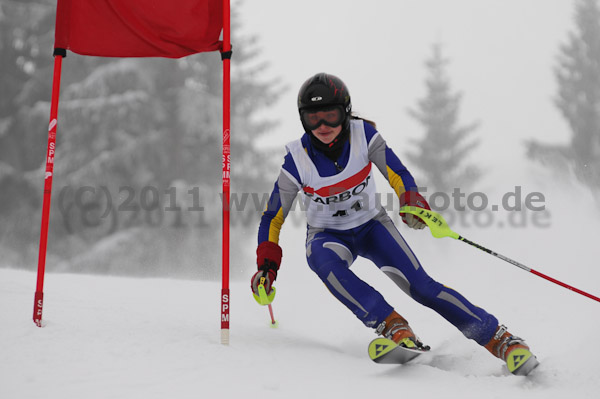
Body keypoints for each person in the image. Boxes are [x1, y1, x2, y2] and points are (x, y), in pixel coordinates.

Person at [250, 73, 538, 376]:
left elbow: (397, 173)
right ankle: (394, 327)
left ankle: (501, 340)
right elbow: (273, 216)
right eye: (313, 118)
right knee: (320, 260)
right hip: (328, 235)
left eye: (331, 116)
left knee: (423, 288)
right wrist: (267, 266)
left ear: (345, 112)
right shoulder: (297, 159)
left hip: (373, 226)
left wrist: (410, 201)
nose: (322, 127)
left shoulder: (364, 136)